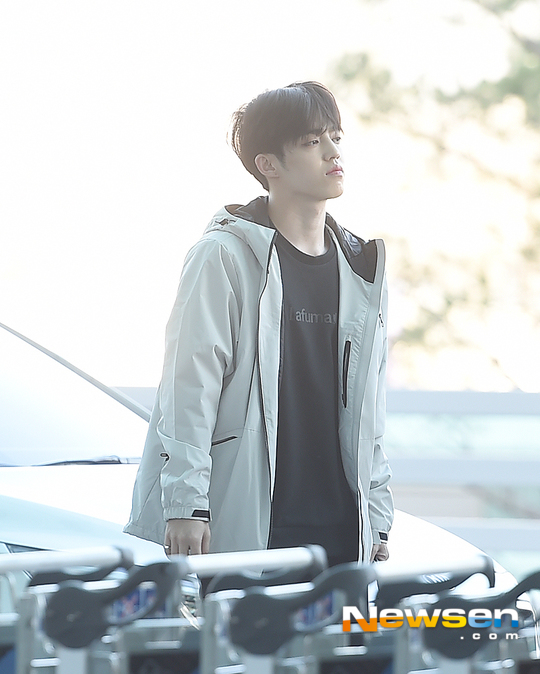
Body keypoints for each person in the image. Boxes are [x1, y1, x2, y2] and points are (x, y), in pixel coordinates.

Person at [124, 81, 393, 566]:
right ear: (268, 164)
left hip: (341, 528)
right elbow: (189, 388)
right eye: (312, 142)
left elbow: (370, 407)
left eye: (335, 137)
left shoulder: (362, 269)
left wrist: (377, 514)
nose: (333, 152)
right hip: (250, 517)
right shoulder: (223, 256)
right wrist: (186, 503)